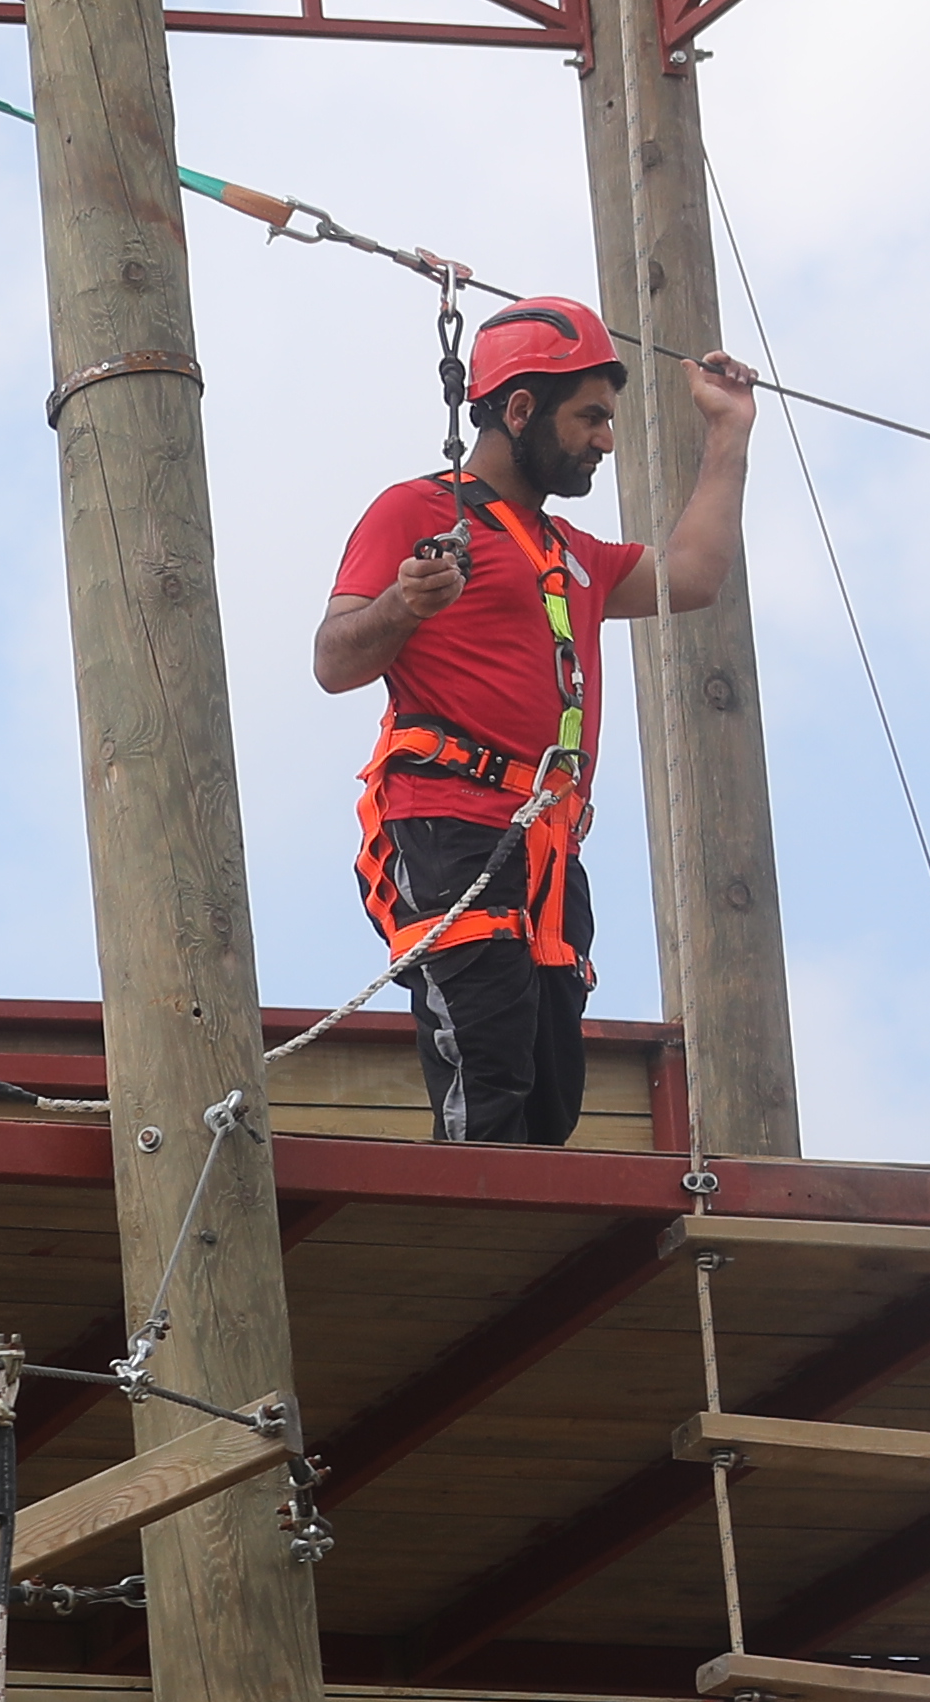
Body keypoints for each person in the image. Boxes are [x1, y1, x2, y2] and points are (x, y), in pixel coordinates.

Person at [313, 295, 758, 1147]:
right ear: (520, 410)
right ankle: (473, 1247)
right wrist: (405, 604)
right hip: (452, 834)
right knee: (488, 1079)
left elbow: (694, 574)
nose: (605, 437)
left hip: (547, 853)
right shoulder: (414, 512)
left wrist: (729, 431)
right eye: (590, 416)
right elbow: (336, 659)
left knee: (549, 1097)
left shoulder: (571, 553)